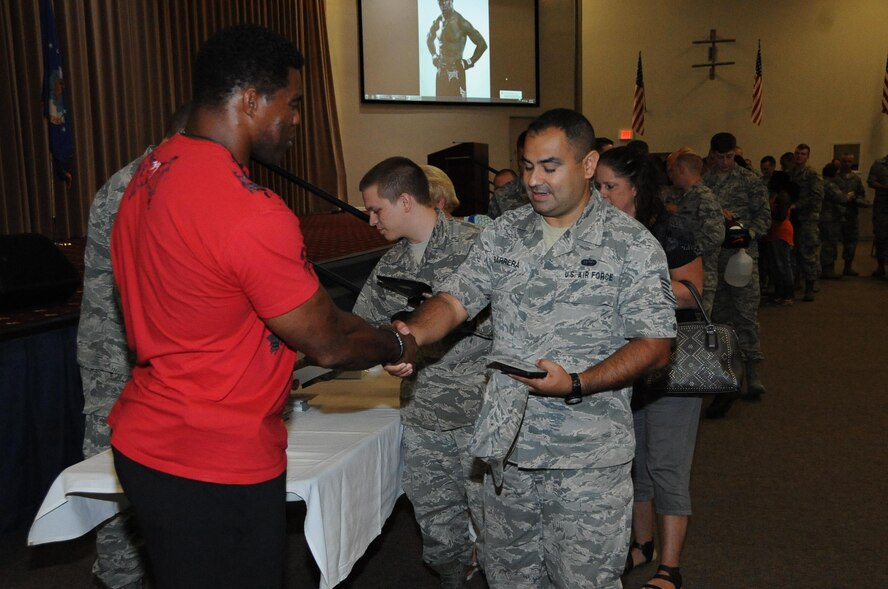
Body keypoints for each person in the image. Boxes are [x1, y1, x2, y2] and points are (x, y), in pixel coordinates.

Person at [108, 25, 416, 588]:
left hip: (146, 443)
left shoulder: (148, 176)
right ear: (251, 99)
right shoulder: (249, 209)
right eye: (292, 103)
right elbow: (327, 339)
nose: (296, 119)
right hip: (215, 459)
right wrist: (398, 341)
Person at [387, 108, 677, 588]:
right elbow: (455, 300)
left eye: (549, 166)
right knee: (509, 580)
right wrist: (411, 335)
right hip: (506, 455)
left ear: (587, 165)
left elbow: (656, 345)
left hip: (585, 460)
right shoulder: (504, 233)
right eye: (526, 166)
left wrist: (579, 382)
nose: (534, 180)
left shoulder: (631, 244)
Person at [353, 157, 490, 588]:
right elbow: (364, 327)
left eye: (377, 210)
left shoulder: (478, 246)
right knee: (439, 537)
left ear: (407, 201)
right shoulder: (390, 263)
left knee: (501, 535)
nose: (371, 220)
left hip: (481, 417)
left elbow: (519, 326)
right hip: (424, 419)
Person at [77, 102, 190, 589]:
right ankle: (121, 579)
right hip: (117, 357)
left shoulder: (159, 178)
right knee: (115, 477)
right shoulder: (138, 186)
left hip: (146, 353)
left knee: (158, 475)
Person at [597, 146, 704, 589]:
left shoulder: (669, 229)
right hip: (621, 363)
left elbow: (693, 291)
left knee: (667, 467)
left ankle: (670, 567)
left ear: (636, 188)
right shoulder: (598, 230)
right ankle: (641, 545)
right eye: (596, 186)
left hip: (669, 365)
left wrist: (637, 285)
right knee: (632, 461)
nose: (600, 195)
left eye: (609, 186)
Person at [702, 132, 771, 417]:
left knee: (745, 317)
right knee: (718, 320)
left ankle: (753, 372)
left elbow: (764, 216)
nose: (725, 162)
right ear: (712, 154)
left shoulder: (749, 180)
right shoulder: (704, 183)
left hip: (743, 259)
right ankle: (724, 373)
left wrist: (748, 234)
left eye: (730, 156)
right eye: (720, 157)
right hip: (713, 261)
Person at [665, 148, 726, 314]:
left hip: (702, 273)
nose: (672, 175)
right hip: (685, 273)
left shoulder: (703, 196)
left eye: (674, 170)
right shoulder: (686, 196)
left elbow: (716, 234)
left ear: (682, 170)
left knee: (699, 327)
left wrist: (689, 253)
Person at [427, 0, 487, 98]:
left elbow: (482, 44)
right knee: (439, 109)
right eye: (440, 2)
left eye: (446, 1)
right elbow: (429, 39)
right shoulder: (438, 21)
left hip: (457, 72)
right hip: (441, 71)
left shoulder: (461, 22)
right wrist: (434, 55)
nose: (443, 5)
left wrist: (469, 62)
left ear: (451, 1)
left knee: (460, 110)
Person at [789, 143, 824, 301]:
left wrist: (798, 205)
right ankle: (797, 282)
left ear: (807, 156)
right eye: (797, 153)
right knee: (793, 251)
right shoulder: (791, 173)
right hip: (793, 218)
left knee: (808, 252)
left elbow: (817, 196)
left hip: (807, 218)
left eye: (802, 154)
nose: (799, 156)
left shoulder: (812, 174)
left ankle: (810, 286)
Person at [765, 172, 797, 305]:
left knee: (783, 265)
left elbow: (780, 216)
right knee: (777, 265)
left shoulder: (783, 196)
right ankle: (780, 292)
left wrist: (766, 210)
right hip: (775, 233)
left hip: (781, 233)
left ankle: (788, 294)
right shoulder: (778, 195)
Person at [835, 152, 867, 276]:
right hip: (837, 214)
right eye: (845, 161)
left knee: (851, 241)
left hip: (851, 214)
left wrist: (856, 199)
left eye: (850, 161)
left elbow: (861, 194)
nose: (847, 164)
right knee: (831, 242)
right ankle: (829, 267)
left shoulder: (856, 179)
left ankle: (848, 266)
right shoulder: (835, 178)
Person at [488, 131, 529, 219]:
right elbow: (491, 229)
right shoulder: (501, 196)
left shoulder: (556, 192)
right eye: (524, 161)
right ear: (516, 155)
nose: (529, 167)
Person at [819, 163, 849, 280]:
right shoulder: (830, 185)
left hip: (823, 217)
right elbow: (841, 198)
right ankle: (827, 270)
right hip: (830, 218)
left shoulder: (820, 182)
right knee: (830, 244)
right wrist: (849, 196)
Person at [869, 152, 888, 279]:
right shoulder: (878, 164)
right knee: (881, 236)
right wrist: (884, 187)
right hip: (882, 207)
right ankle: (880, 266)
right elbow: (871, 182)